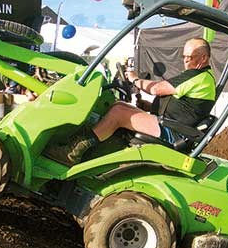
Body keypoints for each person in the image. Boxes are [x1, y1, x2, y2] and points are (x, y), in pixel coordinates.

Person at [45, 38, 216, 166]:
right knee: (119, 106)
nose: (186, 60)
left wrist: (135, 79)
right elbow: (185, 108)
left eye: (190, 57)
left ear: (203, 58)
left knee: (119, 113)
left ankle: (73, 153)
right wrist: (149, 106)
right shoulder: (200, 78)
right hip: (170, 125)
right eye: (184, 56)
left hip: (172, 133)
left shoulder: (199, 77)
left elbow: (157, 89)